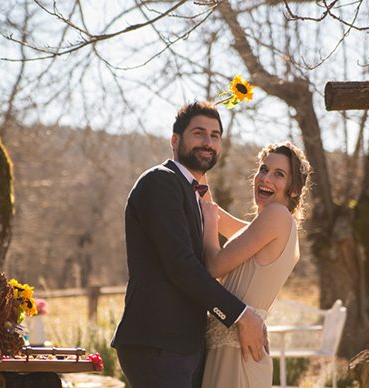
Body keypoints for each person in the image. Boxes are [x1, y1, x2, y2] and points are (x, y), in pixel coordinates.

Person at [110, 101, 267, 388]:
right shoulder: (160, 182)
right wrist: (241, 316)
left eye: (215, 135)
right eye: (199, 133)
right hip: (158, 341)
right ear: (174, 140)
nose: (208, 143)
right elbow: (181, 266)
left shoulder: (194, 194)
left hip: (185, 343)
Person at [200, 142, 312, 388]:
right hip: (232, 352)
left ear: (293, 190)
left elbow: (214, 267)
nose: (265, 178)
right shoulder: (270, 226)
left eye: (278, 174)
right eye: (263, 169)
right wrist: (199, 175)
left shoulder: (277, 217)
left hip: (238, 356)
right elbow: (218, 216)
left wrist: (208, 224)